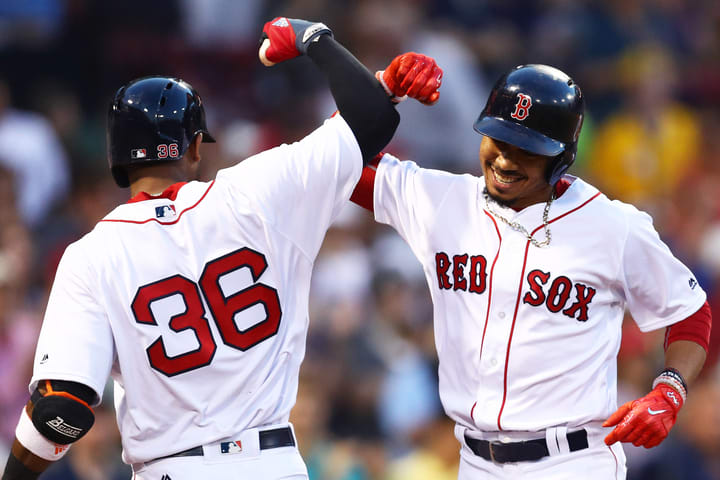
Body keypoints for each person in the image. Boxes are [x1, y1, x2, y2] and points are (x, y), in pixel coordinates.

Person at [1, 17, 442, 480]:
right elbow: (371, 116)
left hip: (172, 468)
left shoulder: (90, 255)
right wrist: (315, 37)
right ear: (195, 147)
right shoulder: (257, 190)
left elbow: (63, 405)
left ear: (116, 158)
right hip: (274, 463)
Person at [350, 63, 712, 479]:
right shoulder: (442, 200)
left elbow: (689, 312)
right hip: (473, 462)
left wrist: (670, 390)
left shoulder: (613, 226)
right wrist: (383, 90)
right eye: (498, 139)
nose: (505, 159)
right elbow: (335, 159)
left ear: (561, 157)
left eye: (526, 149)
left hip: (571, 461)